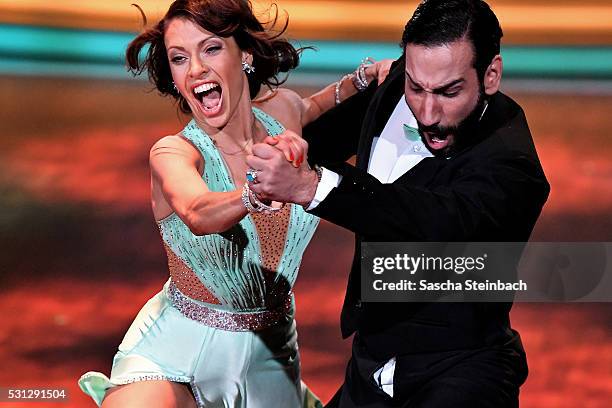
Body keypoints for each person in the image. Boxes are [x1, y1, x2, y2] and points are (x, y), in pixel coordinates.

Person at [77, 1, 391, 407]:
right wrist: (255, 191)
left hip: (272, 358)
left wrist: (366, 77)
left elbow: (316, 105)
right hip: (176, 351)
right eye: (179, 58)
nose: (195, 70)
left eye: (210, 49)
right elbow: (196, 211)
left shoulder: (283, 111)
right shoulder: (173, 152)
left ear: (243, 54)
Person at [247, 0, 550, 407]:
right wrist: (292, 150)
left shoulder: (513, 168)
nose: (426, 112)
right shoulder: (395, 87)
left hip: (459, 372)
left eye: (449, 92)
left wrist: (311, 186)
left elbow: (421, 219)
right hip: (369, 367)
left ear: (491, 75)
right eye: (416, 87)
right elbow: (322, 142)